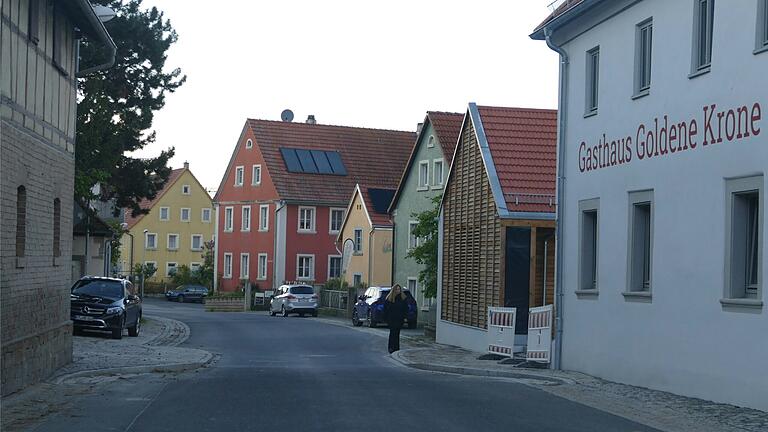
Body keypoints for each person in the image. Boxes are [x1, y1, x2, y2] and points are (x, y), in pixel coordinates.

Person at [383, 284, 408, 354]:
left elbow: (405, 309)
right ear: (394, 290)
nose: (398, 291)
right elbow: (386, 309)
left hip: (399, 319)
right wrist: (386, 318)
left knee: (397, 333)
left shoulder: (403, 298)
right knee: (392, 333)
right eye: (396, 289)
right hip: (392, 319)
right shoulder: (390, 299)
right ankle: (391, 347)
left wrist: (405, 317)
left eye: (399, 289)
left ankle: (397, 348)